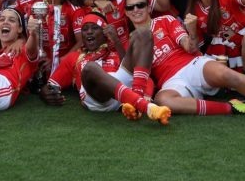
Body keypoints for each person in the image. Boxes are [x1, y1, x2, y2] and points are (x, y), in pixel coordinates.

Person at [41, 11, 171, 124]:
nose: (89, 32)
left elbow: (142, 77)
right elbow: (51, 85)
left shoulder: (115, 51)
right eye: (85, 29)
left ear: (104, 33)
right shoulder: (74, 57)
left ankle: (135, 104)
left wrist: (116, 41)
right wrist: (44, 92)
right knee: (90, 68)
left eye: (94, 28)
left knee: (144, 34)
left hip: (121, 95)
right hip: (96, 98)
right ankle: (144, 106)